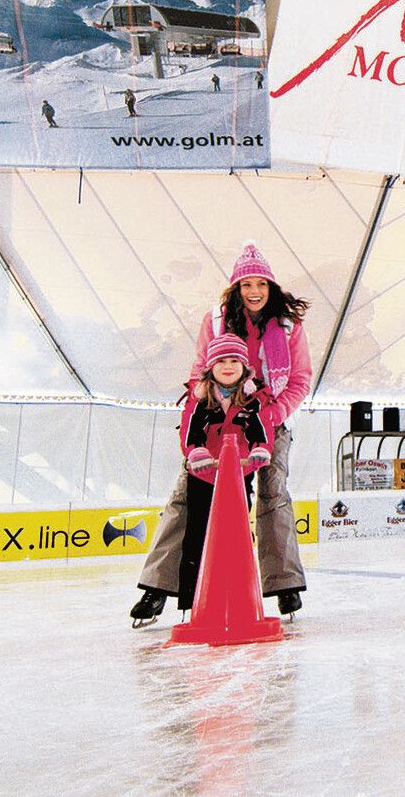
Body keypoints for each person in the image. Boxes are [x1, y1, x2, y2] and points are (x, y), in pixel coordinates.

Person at [130, 241, 311, 626]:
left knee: (273, 493)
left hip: (271, 419)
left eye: (261, 284)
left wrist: (273, 412)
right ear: (236, 289)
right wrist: (208, 405)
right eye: (247, 285)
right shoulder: (215, 321)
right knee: (186, 493)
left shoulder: (289, 326)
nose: (254, 292)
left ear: (272, 287)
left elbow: (300, 379)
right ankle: (158, 587)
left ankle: (284, 585)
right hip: (217, 417)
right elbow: (200, 369)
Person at [177, 334, 274, 612]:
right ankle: (191, 601)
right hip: (204, 477)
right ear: (210, 366)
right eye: (221, 361)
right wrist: (196, 451)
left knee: (239, 533)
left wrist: (259, 450)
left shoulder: (253, 398)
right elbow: (190, 429)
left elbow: (261, 428)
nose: (228, 366)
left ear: (244, 366)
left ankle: (240, 597)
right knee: (196, 534)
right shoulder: (200, 397)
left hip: (237, 476)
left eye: (234, 360)